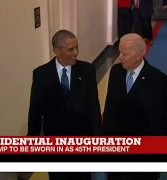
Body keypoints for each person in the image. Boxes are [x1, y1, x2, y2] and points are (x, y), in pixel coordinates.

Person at [27, 30, 102, 180]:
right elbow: (35, 109)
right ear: (57, 51)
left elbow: (94, 107)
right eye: (71, 49)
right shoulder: (41, 74)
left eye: (77, 47)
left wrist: (97, 141)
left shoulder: (87, 70)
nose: (76, 52)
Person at [102, 33, 167, 180]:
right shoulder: (116, 72)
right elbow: (109, 108)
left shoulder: (158, 79)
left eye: (124, 54)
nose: (120, 57)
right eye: (120, 52)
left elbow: (162, 120)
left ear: (139, 54)